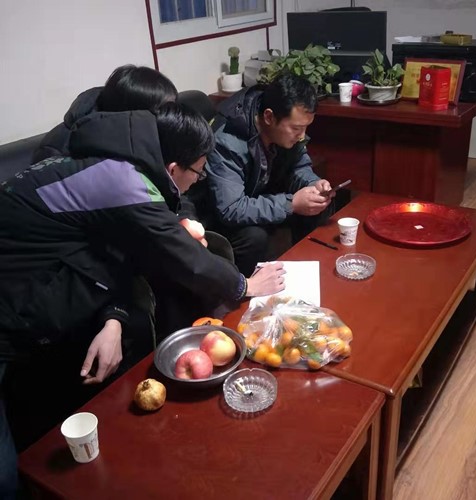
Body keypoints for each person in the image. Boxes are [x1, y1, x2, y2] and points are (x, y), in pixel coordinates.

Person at [0, 103, 285, 498]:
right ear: (173, 167)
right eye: (198, 173)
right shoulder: (123, 182)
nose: (196, 183)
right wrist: (245, 286)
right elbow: (186, 259)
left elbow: (114, 254)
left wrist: (113, 318)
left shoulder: (113, 160)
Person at [187, 74, 336, 277]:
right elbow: (230, 208)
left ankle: (306, 272)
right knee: (254, 236)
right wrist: (291, 204)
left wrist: (314, 184)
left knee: (317, 205)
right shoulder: (227, 141)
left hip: (257, 192)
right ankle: (244, 290)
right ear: (269, 117)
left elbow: (299, 165)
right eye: (296, 128)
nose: (302, 135)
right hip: (218, 213)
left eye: (305, 128)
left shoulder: (283, 131)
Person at [32, 64, 178, 163]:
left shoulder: (132, 134)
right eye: (162, 112)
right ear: (132, 114)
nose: (170, 118)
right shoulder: (62, 153)